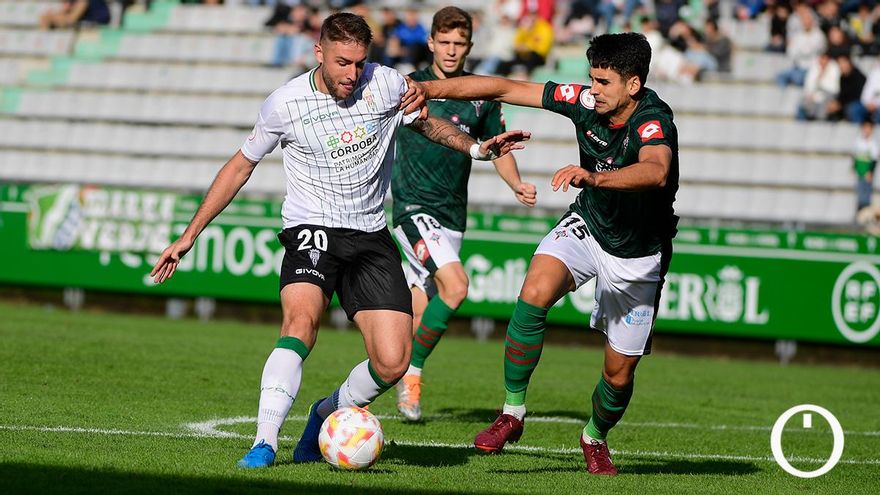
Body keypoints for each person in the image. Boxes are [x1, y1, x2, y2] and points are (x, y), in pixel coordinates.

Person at [149, 12, 529, 469]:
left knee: (392, 361)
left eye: (360, 63)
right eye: (343, 62)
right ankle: (264, 442)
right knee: (300, 324)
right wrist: (190, 235)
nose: (352, 74)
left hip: (370, 234)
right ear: (319, 53)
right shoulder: (284, 103)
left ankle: (323, 414)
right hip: (312, 230)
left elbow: (425, 122)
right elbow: (240, 166)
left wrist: (474, 148)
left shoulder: (385, 83)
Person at [407, 31, 678, 476]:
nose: (593, 91)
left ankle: (593, 436)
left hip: (637, 254)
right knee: (533, 291)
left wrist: (595, 178)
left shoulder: (653, 119)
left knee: (618, 375)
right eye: (591, 79)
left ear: (633, 85)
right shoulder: (586, 101)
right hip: (588, 225)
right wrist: (429, 89)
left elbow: (656, 170)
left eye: (604, 82)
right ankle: (512, 413)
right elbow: (504, 89)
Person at [390, 6, 537, 423]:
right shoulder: (411, 86)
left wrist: (516, 184)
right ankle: (412, 376)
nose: (452, 50)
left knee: (419, 312)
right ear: (432, 42)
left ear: (469, 46)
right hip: (412, 208)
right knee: (455, 287)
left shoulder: (481, 95)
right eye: (445, 42)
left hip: (452, 216)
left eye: (460, 43)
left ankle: (374, 386)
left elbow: (497, 147)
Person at [854, 119, 879, 213]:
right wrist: (853, 167)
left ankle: (866, 212)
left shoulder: (873, 143)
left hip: (867, 171)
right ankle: (860, 212)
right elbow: (856, 155)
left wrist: (871, 171)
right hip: (860, 170)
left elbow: (874, 159)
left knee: (866, 192)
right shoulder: (858, 141)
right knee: (860, 191)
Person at [39, 0, 111, 29]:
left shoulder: (82, 2)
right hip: (85, 27)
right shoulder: (71, 2)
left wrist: (52, 18)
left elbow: (70, 20)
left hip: (98, 30)